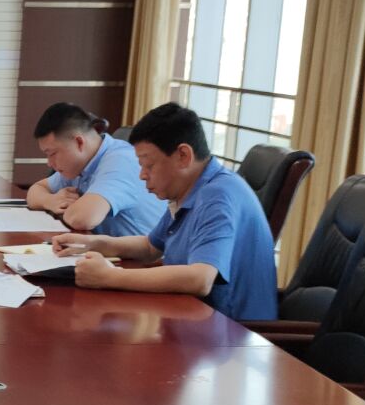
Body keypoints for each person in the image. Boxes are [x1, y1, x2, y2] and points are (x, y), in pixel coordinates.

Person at [49, 102, 277, 321]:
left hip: (233, 333)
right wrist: (94, 244)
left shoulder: (218, 195)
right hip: (194, 317)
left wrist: (110, 276)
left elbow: (200, 279)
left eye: (149, 165)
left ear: (183, 156)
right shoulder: (192, 189)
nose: (142, 175)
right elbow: (151, 247)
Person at [24, 103, 162, 237]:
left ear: (79, 142)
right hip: (102, 248)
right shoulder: (79, 165)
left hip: (143, 252)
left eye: (52, 153)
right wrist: (51, 201)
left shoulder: (120, 161)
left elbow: (82, 219)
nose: (49, 163)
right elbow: (36, 190)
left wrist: (63, 209)